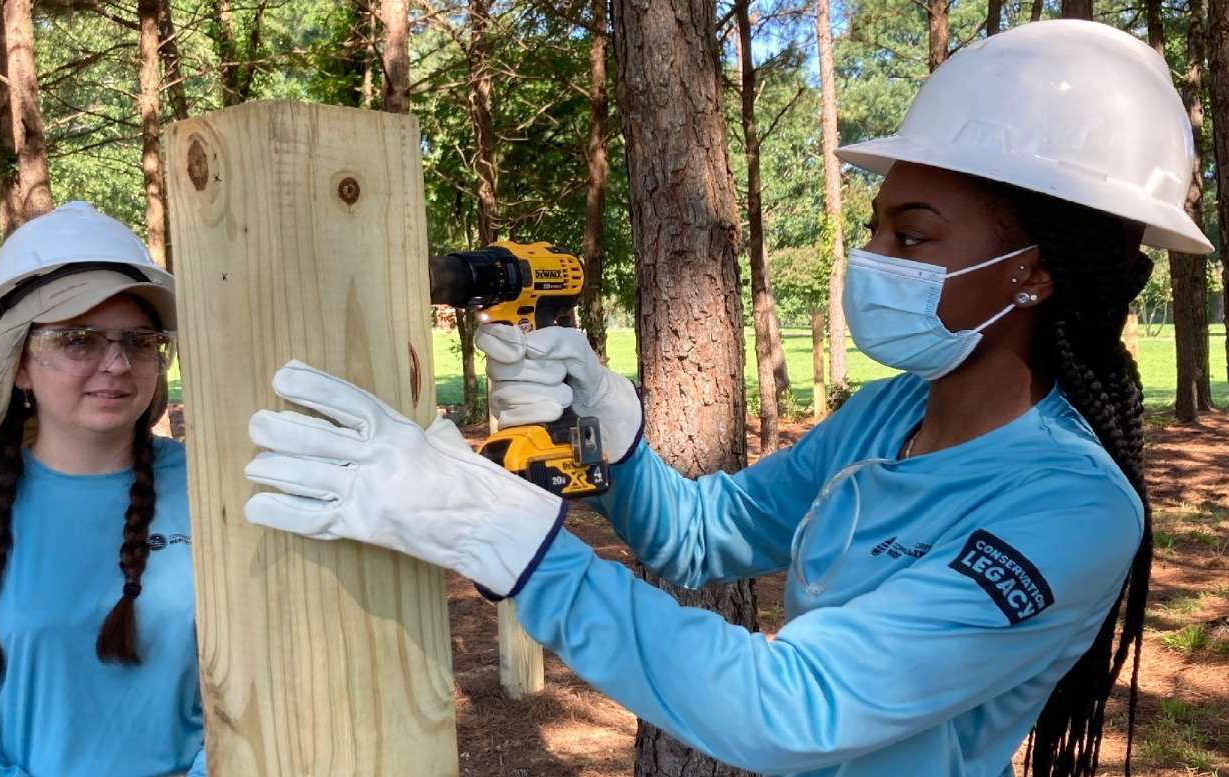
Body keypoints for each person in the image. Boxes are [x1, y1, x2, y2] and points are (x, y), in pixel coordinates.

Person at [238, 20, 1205, 777]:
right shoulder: (893, 414)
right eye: (875, 229)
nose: (868, 261)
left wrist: (506, 541)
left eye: (911, 237)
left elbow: (792, 705)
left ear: (1031, 272)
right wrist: (613, 444)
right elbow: (705, 535)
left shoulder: (1071, 509)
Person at [0, 202, 205, 777]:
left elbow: (263, 680)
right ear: (18, 364)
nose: (116, 363)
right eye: (79, 339)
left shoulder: (212, 494)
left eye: (139, 341)